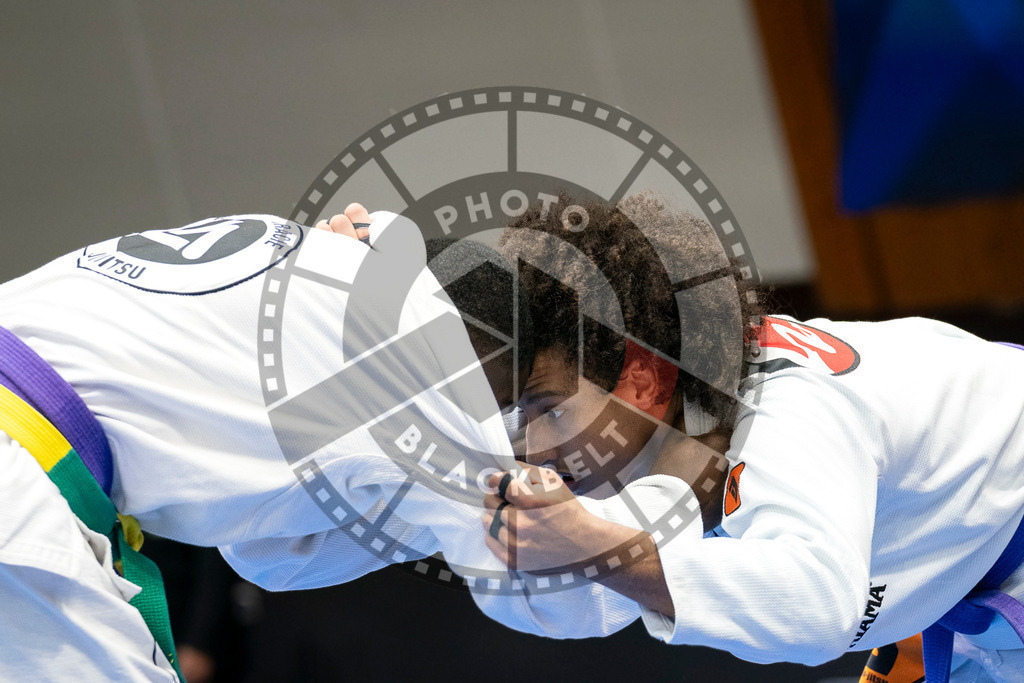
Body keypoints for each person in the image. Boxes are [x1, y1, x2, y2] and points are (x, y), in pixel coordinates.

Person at [476, 192, 1024, 683]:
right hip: (965, 567)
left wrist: (594, 546)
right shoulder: (689, 413)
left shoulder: (790, 414)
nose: (528, 446)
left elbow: (817, 606)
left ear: (640, 381)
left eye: (544, 408)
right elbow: (580, 598)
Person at [0, 203, 559, 680]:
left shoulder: (308, 255)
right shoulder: (421, 352)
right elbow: (544, 590)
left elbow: (269, 554)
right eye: (501, 404)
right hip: (21, 470)